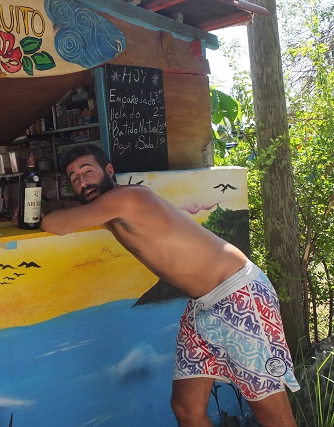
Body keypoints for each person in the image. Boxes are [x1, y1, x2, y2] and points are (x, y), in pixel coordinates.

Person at [40, 144, 300, 427]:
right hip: (203, 305)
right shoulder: (108, 210)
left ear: (109, 170)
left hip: (240, 296)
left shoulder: (128, 198)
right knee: (186, 409)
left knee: (272, 415)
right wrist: (46, 206)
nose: (82, 182)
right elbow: (71, 211)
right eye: (74, 178)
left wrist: (32, 212)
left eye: (87, 171)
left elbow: (57, 224)